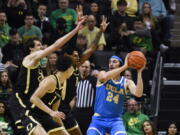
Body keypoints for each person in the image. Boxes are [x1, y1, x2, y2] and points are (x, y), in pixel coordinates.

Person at [8, 17, 86, 135]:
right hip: (20, 100)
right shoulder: (30, 59)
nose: (42, 47)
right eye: (38, 45)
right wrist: (75, 30)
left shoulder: (41, 68)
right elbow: (55, 46)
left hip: (32, 104)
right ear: (31, 48)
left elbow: (65, 51)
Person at [58, 15, 109, 135]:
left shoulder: (77, 66)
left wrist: (101, 31)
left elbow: (91, 49)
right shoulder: (66, 67)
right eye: (73, 55)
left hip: (67, 108)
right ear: (68, 56)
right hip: (57, 105)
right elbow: (70, 46)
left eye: (78, 55)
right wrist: (77, 27)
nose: (76, 57)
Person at [87, 54, 146, 135]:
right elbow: (103, 78)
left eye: (114, 62)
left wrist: (139, 73)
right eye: (110, 62)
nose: (111, 64)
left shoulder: (126, 82)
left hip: (115, 120)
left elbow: (138, 94)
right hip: (99, 119)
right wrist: (125, 66)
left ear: (120, 65)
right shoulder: (102, 73)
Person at [30, 55, 74, 135]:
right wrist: (51, 112)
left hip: (44, 116)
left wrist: (64, 129)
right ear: (68, 69)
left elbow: (55, 112)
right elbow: (33, 98)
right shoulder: (51, 80)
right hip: (32, 115)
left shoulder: (60, 85)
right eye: (72, 67)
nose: (73, 69)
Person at [74, 60, 97, 135]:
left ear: (90, 69)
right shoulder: (75, 80)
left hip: (89, 113)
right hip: (77, 112)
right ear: (79, 68)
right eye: (82, 66)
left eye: (86, 67)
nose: (84, 69)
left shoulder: (94, 80)